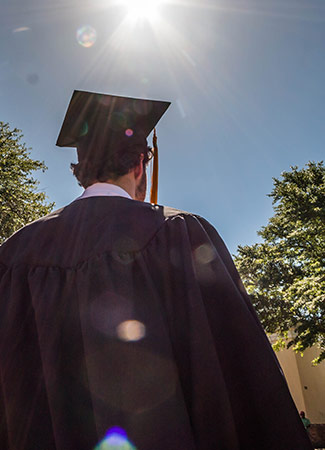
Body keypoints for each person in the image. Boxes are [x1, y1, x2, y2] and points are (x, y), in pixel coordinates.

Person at [0, 90, 312, 450]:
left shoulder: (13, 257)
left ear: (80, 172)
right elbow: (240, 380)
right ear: (140, 165)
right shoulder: (179, 233)